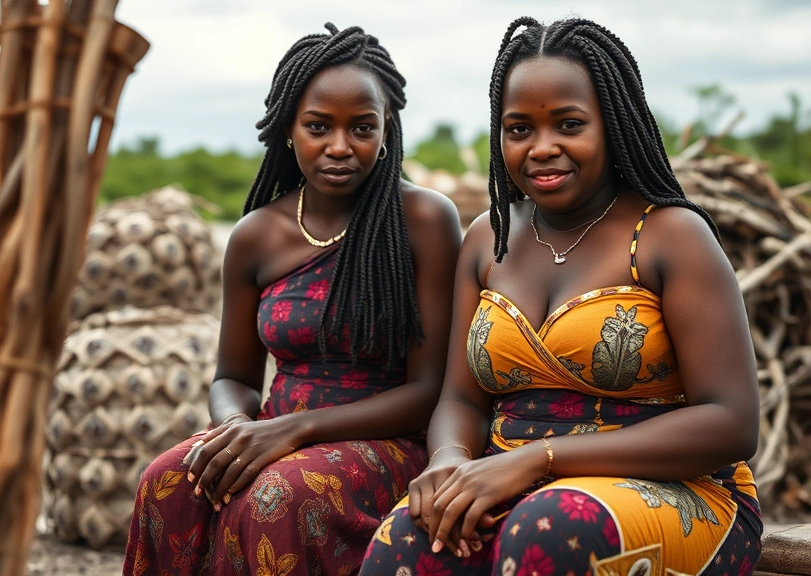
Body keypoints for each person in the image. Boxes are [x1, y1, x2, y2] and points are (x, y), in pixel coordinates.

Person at [360, 17, 762, 576]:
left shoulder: (671, 235)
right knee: (404, 541)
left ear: (614, 125)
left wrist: (539, 460)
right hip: (509, 475)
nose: (542, 148)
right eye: (519, 128)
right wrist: (451, 461)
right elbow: (460, 399)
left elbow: (731, 423)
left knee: (548, 530)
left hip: (677, 489)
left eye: (569, 124)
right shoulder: (487, 238)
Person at [123, 23, 461, 576]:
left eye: (361, 128)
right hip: (271, 430)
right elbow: (232, 375)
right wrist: (235, 426)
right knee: (168, 480)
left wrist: (292, 432)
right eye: (318, 126)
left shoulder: (424, 220)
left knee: (276, 497)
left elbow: (429, 391)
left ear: (386, 129)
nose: (339, 147)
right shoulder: (257, 233)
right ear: (288, 129)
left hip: (387, 439)